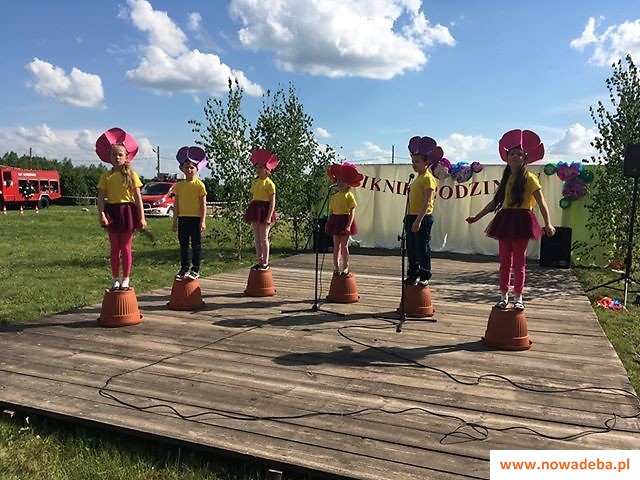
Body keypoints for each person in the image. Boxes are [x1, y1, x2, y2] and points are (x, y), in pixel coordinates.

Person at [466, 129, 556, 310]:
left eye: (519, 154)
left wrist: (548, 223)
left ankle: (519, 297)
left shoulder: (530, 179)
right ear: (507, 158)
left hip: (522, 221)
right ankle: (503, 295)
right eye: (512, 153)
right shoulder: (506, 178)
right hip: (506, 221)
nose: (515, 156)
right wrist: (477, 217)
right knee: (505, 262)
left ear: (525, 159)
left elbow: (541, 202)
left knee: (519, 263)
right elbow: (495, 202)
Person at [96, 127, 147, 291]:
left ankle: (126, 278)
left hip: (127, 212)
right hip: (112, 212)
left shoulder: (131, 175)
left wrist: (142, 217)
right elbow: (101, 197)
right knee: (114, 248)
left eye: (120, 155)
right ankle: (115, 279)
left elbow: (138, 197)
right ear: (108, 157)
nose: (117, 158)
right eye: (114, 155)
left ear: (126, 157)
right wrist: (102, 214)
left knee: (125, 248)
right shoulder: (106, 176)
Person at [405, 136, 442, 286]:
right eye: (413, 161)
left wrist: (418, 220)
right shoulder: (417, 178)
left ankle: (424, 275)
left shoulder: (428, 178)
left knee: (422, 247)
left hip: (422, 217)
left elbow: (427, 201)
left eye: (417, 161)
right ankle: (413, 274)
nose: (414, 165)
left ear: (426, 162)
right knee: (411, 248)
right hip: (411, 215)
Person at [172, 146, 208, 280]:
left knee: (196, 245)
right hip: (183, 219)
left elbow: (203, 205)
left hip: (196, 219)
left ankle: (195, 269)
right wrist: (175, 221)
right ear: (182, 168)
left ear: (197, 169)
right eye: (186, 167)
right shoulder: (179, 186)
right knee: (184, 246)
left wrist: (203, 221)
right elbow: (176, 205)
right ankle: (184, 268)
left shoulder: (199, 185)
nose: (189, 170)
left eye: (192, 167)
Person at [325, 162, 363, 275]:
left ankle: (346, 267)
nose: (341, 183)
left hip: (345, 220)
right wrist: (328, 222)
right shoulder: (334, 197)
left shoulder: (349, 196)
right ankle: (336, 266)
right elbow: (331, 212)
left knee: (344, 245)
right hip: (335, 221)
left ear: (348, 184)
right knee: (336, 246)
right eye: (339, 181)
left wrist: (349, 225)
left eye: (344, 181)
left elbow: (352, 210)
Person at [244, 149, 278, 270]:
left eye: (261, 167)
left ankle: (265, 262)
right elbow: (252, 197)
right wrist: (250, 210)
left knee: (264, 238)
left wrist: (269, 216)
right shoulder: (254, 182)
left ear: (267, 169)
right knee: (257, 239)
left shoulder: (270, 184)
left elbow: (272, 201)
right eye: (257, 167)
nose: (258, 170)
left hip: (265, 211)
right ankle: (259, 260)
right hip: (255, 211)